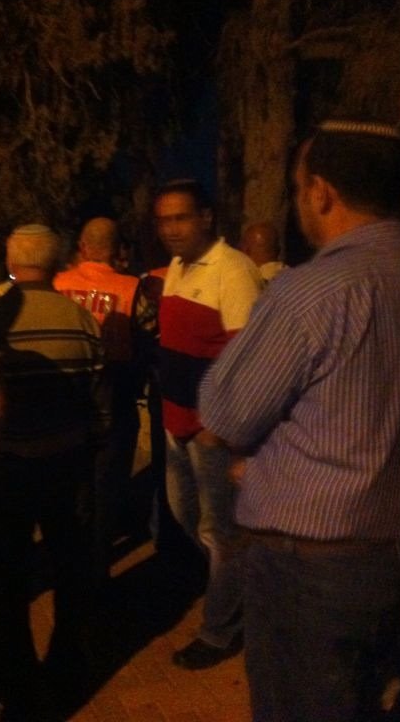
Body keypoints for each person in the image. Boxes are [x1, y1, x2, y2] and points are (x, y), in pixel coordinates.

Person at [199, 120, 400, 722]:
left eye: (298, 187)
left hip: (314, 567)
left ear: (321, 192)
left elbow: (227, 412)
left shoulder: (311, 293)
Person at [0, 224, 110, 720]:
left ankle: (20, 687)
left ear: (11, 262)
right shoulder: (81, 320)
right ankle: (67, 665)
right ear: (57, 262)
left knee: (9, 579)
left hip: (8, 470)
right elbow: (100, 407)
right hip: (66, 466)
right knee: (70, 568)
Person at [154, 178, 261, 669]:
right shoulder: (177, 268)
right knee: (189, 519)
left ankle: (220, 630)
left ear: (206, 217)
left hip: (210, 430)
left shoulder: (232, 269)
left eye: (180, 217)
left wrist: (224, 424)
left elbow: (248, 357)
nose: (171, 229)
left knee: (222, 533)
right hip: (176, 422)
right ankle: (237, 592)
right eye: (163, 220)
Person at [54, 217, 140, 584]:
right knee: (107, 485)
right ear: (117, 249)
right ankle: (97, 568)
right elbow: (146, 338)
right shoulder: (131, 287)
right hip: (115, 391)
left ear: (83, 247)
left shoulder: (58, 283)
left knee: (70, 483)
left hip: (66, 394)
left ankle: (68, 563)